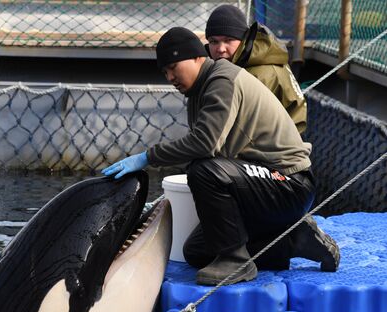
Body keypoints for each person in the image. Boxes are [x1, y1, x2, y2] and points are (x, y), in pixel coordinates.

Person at [102, 27, 339, 286]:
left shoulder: (222, 80)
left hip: (290, 183)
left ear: (196, 57)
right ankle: (295, 241)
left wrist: (147, 157)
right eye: (164, 72)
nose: (169, 76)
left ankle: (236, 262)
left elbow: (205, 144)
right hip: (261, 183)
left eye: (173, 67)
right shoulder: (198, 91)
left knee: (203, 169)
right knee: (197, 252)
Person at [205, 4, 307, 133]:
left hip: (274, 147)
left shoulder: (260, 74)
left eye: (229, 40)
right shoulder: (239, 64)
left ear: (243, 40)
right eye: (214, 42)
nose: (220, 49)